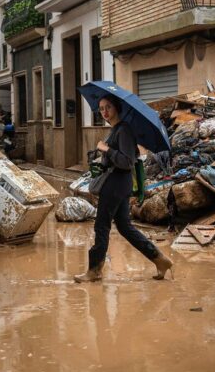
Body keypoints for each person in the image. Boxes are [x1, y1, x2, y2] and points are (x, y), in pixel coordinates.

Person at [74, 96, 173, 283]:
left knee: (101, 226)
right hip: (118, 183)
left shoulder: (124, 130)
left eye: (108, 107)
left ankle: (94, 271)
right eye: (101, 108)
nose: (104, 112)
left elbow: (127, 162)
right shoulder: (117, 130)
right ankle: (160, 260)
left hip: (116, 184)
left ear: (117, 108)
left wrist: (106, 149)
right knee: (125, 227)